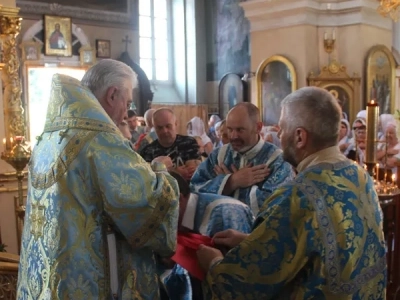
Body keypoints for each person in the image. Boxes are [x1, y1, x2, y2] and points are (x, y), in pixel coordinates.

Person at [196, 87, 387, 299]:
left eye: (283, 127)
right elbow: (316, 243)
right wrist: (250, 240)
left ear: (299, 137)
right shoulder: (360, 175)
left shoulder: (297, 195)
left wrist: (214, 263)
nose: (278, 133)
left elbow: (247, 282)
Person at [17, 59, 180, 300]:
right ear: (112, 94)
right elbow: (147, 203)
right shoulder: (100, 140)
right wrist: (160, 171)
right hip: (94, 280)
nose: (126, 111)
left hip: (50, 275)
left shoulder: (50, 136)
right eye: (127, 102)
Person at [191, 102, 294, 215]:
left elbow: (276, 206)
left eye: (240, 130)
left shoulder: (278, 160)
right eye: (230, 129)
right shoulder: (218, 155)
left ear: (258, 127)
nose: (234, 136)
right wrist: (232, 182)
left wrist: (229, 185)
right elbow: (194, 190)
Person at [140, 108, 201, 181]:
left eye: (168, 126)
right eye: (159, 128)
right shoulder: (147, 151)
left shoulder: (189, 143)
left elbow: (195, 170)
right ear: (154, 128)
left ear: (175, 124)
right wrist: (174, 173)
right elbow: (149, 179)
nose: (165, 131)